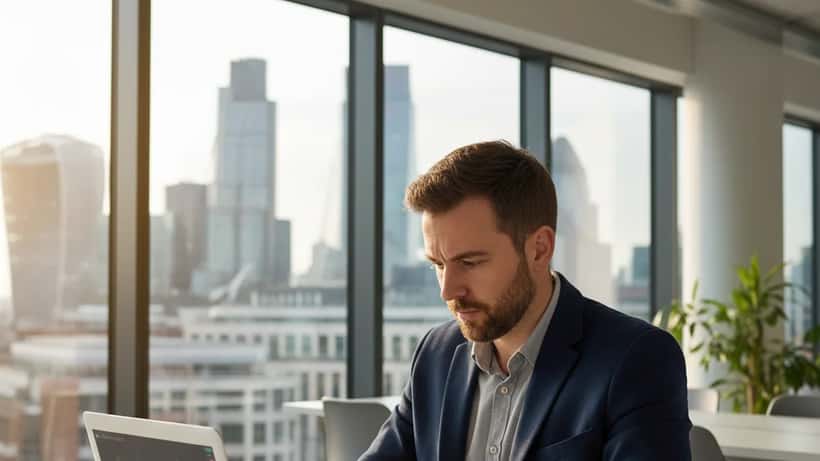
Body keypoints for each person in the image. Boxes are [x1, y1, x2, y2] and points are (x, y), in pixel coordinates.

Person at [360, 140, 691, 460]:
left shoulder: (635, 359)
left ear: (539, 249)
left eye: (470, 263)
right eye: (438, 265)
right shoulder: (436, 353)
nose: (448, 290)